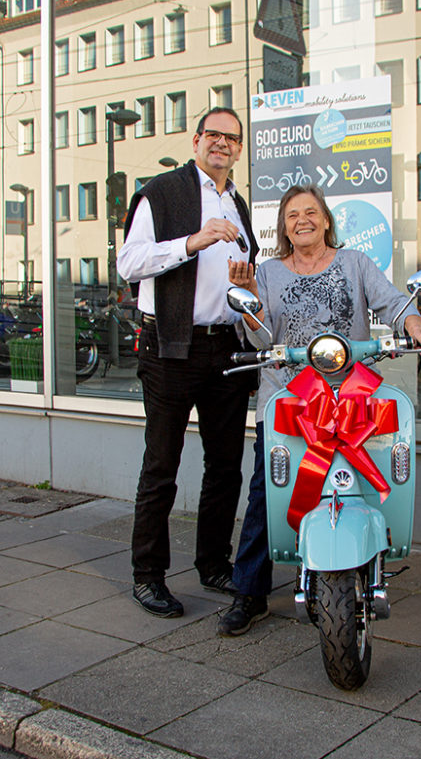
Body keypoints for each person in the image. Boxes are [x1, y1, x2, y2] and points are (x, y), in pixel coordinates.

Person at [219, 184, 421, 636]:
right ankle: (250, 593)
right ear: (283, 226)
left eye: (310, 212)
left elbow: (392, 302)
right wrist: (247, 297)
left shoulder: (354, 263)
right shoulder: (267, 273)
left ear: (325, 220)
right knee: (266, 493)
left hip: (353, 396)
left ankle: (368, 557)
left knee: (367, 478)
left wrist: (413, 321)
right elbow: (260, 340)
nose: (302, 220)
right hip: (290, 400)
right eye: (292, 214)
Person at [117, 107, 259, 618]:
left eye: (231, 138)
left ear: (239, 149)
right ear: (196, 139)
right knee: (162, 466)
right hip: (170, 348)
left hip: (225, 346)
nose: (222, 144)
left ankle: (214, 564)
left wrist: (246, 285)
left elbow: (239, 279)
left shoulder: (236, 202)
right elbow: (129, 263)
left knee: (225, 467)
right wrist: (193, 242)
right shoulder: (163, 191)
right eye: (213, 135)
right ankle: (148, 576)